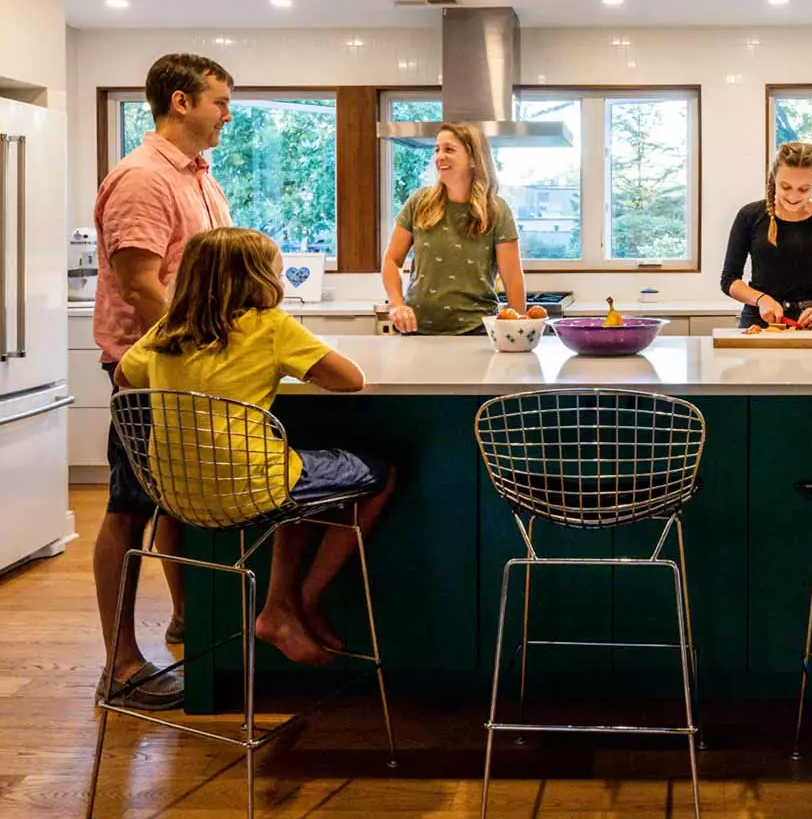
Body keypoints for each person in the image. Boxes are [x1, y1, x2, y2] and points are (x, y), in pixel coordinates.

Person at [115, 227, 394, 667]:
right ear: (258, 280)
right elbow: (350, 379)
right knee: (377, 473)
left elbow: (125, 379)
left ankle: (284, 608)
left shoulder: (166, 330)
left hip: (174, 495)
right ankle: (299, 600)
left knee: (299, 480)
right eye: (276, 271)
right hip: (253, 490)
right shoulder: (269, 327)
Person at [90, 53, 234, 710]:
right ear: (181, 102)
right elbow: (141, 286)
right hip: (149, 371)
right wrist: (197, 346)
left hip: (186, 368)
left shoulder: (199, 178)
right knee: (130, 508)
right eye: (219, 103)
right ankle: (121, 664)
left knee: (177, 502)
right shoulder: (143, 179)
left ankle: (188, 617)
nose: (226, 115)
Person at [381, 123, 526, 334]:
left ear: (474, 159)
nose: (440, 156)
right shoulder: (419, 202)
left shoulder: (496, 210)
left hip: (477, 331)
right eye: (437, 149)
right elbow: (392, 260)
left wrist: (519, 331)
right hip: (417, 330)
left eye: (449, 149)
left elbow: (512, 277)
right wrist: (397, 304)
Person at [719, 140, 812, 328]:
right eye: (785, 187)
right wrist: (761, 299)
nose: (793, 196)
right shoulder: (750, 215)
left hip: (809, 325)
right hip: (758, 322)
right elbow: (729, 279)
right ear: (773, 179)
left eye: (803, 189)